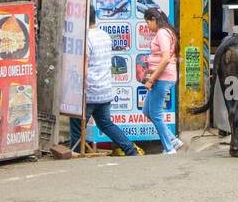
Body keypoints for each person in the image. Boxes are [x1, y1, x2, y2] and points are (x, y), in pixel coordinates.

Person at [68, 8, 142, 155]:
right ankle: (130, 150)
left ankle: (75, 153)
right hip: (105, 90)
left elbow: (82, 67)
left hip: (89, 92)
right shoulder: (105, 36)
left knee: (77, 124)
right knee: (106, 124)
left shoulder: (85, 39)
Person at [141, 8, 182, 154]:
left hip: (162, 77)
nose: (147, 26)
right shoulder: (166, 32)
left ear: (153, 19)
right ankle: (173, 140)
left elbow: (165, 59)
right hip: (162, 76)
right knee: (147, 110)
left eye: (147, 22)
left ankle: (169, 148)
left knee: (156, 114)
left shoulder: (162, 33)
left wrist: (151, 79)